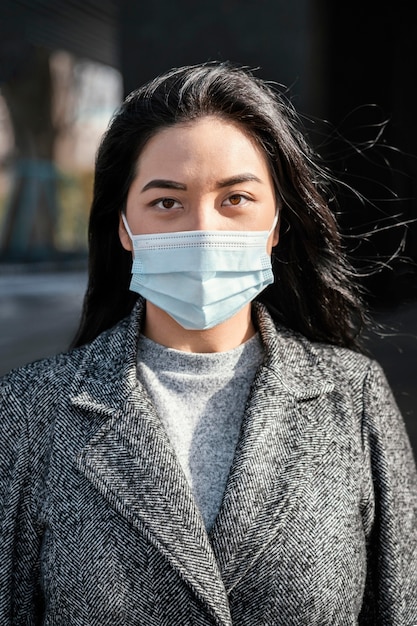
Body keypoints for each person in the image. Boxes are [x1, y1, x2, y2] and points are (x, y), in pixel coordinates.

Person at [1, 61, 416, 625]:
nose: (203, 228)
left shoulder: (354, 397)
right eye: (166, 203)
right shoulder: (31, 412)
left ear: (276, 223)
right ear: (124, 226)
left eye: (235, 199)